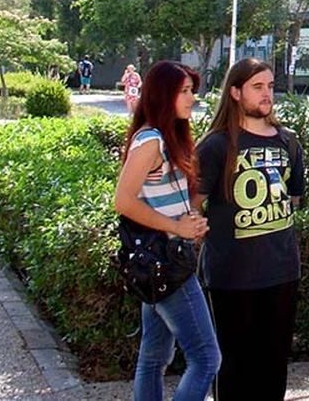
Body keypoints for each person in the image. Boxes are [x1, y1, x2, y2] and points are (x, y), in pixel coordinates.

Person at [195, 58, 305, 401]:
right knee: (234, 370)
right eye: (258, 87)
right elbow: (192, 204)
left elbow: (295, 198)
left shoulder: (289, 141)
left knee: (273, 368)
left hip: (282, 271)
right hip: (231, 276)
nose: (267, 94)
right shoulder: (214, 146)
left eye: (270, 86)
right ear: (235, 92)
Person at [114, 62, 220, 401]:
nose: (192, 98)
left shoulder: (168, 137)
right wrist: (177, 227)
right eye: (184, 91)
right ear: (163, 95)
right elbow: (123, 201)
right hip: (166, 262)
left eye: (192, 90)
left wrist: (189, 219)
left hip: (163, 259)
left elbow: (162, 196)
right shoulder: (151, 141)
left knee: (154, 358)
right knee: (206, 358)